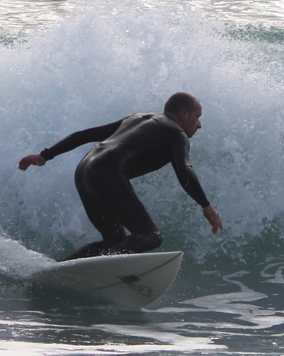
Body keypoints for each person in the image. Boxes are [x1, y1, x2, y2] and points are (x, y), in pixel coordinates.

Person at [18, 92, 223, 260]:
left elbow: (85, 135)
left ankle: (59, 268)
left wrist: (44, 155)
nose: (199, 125)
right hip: (106, 171)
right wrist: (205, 205)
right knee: (151, 236)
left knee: (113, 241)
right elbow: (184, 169)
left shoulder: (137, 118)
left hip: (84, 171)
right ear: (184, 114)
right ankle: (104, 265)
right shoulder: (176, 133)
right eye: (198, 117)